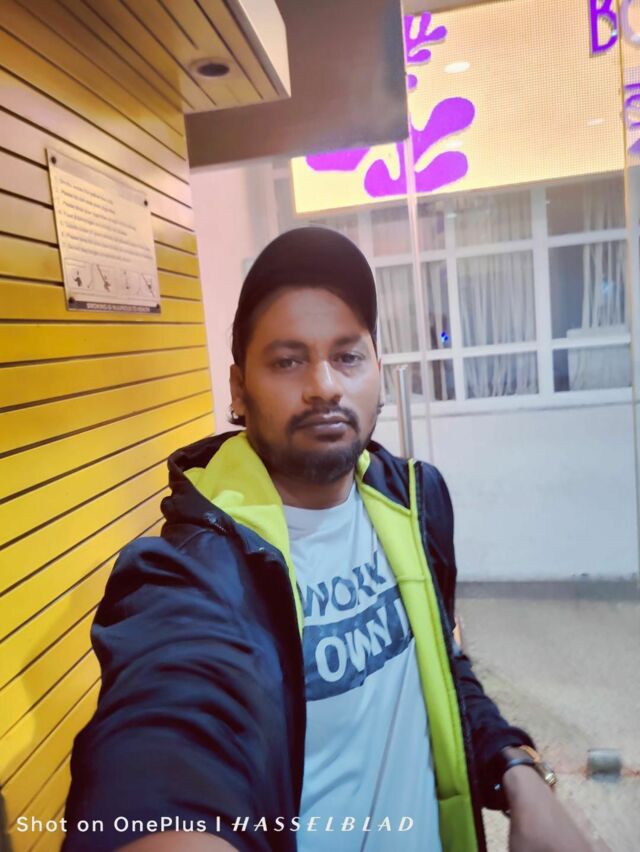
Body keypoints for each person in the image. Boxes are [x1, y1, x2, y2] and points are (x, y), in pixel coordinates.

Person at [63, 228, 592, 852]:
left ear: (379, 372)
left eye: (347, 356)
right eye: (288, 361)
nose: (325, 385)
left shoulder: (414, 500)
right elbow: (169, 732)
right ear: (238, 390)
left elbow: (442, 668)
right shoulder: (194, 571)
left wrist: (518, 772)